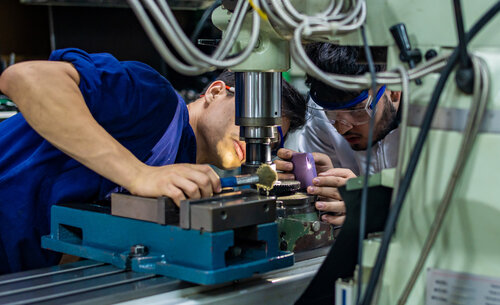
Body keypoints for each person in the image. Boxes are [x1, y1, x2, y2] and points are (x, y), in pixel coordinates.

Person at [0, 48, 306, 274]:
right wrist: (138, 175)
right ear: (215, 92)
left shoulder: (180, 167)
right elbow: (25, 77)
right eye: (252, 120)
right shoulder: (155, 101)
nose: (258, 139)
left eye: (272, 137)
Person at [276, 43, 401, 226]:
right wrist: (324, 183)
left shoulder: (433, 124)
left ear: (395, 90)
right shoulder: (320, 116)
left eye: (357, 110)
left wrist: (376, 206)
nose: (341, 129)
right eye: (332, 114)